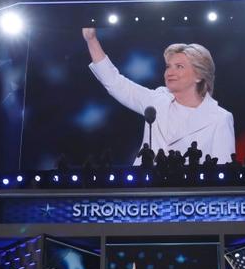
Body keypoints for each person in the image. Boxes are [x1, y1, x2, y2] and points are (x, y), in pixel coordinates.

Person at [83, 28, 235, 166]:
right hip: (144, 191)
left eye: (179, 67)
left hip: (188, 194)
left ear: (199, 76)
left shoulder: (220, 119)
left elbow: (224, 172)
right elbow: (115, 83)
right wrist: (91, 39)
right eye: (168, 66)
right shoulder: (157, 100)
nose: (170, 72)